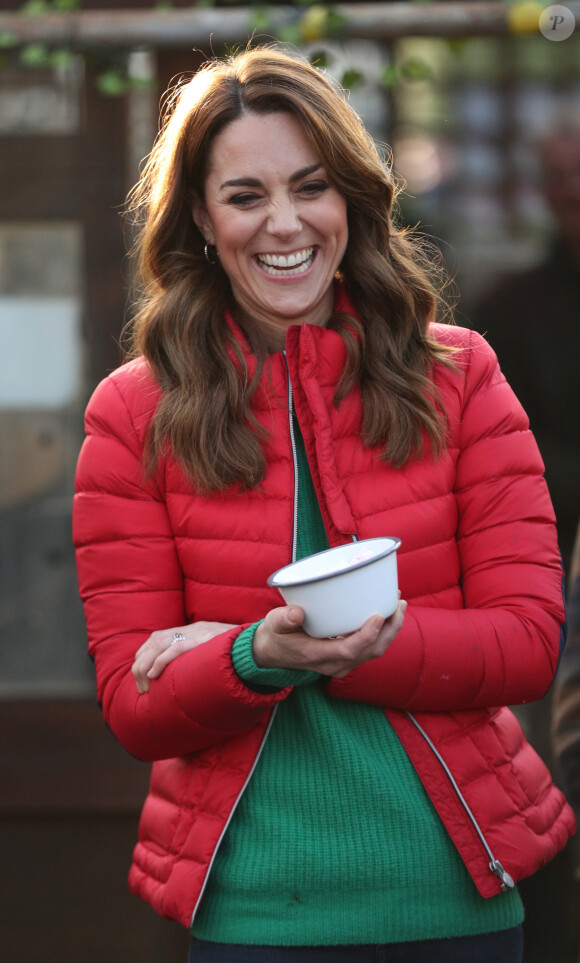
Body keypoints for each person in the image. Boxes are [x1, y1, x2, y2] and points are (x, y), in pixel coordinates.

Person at [73, 47, 575, 963]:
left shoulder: (461, 375)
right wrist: (253, 654)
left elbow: (529, 642)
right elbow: (134, 703)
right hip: (259, 916)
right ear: (201, 216)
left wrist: (314, 648)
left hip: (456, 903)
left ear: (350, 197)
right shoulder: (133, 412)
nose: (285, 223)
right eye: (245, 195)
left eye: (311, 186)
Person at [468, 127, 580, 576]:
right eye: (558, 176)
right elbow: (502, 444)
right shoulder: (508, 308)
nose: (573, 189)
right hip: (552, 548)